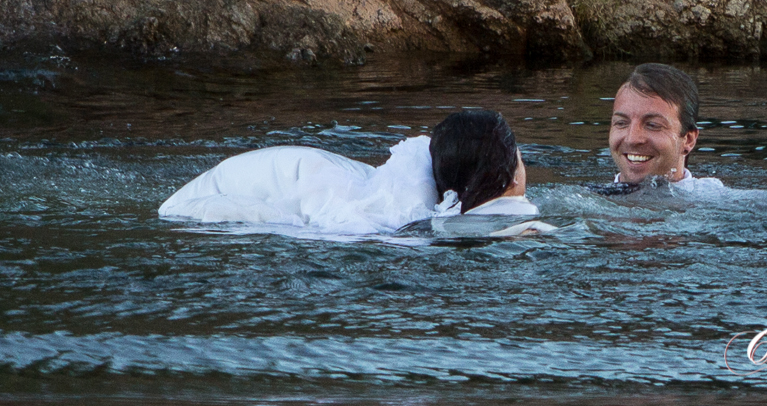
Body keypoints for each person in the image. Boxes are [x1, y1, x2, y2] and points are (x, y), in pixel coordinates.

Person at [158, 110, 540, 235]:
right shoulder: (390, 215)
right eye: (520, 157)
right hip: (202, 196)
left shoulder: (416, 196)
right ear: (509, 178)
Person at [609, 63, 701, 184]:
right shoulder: (585, 197)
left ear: (688, 140)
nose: (632, 139)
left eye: (652, 125)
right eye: (621, 123)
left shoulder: (716, 199)